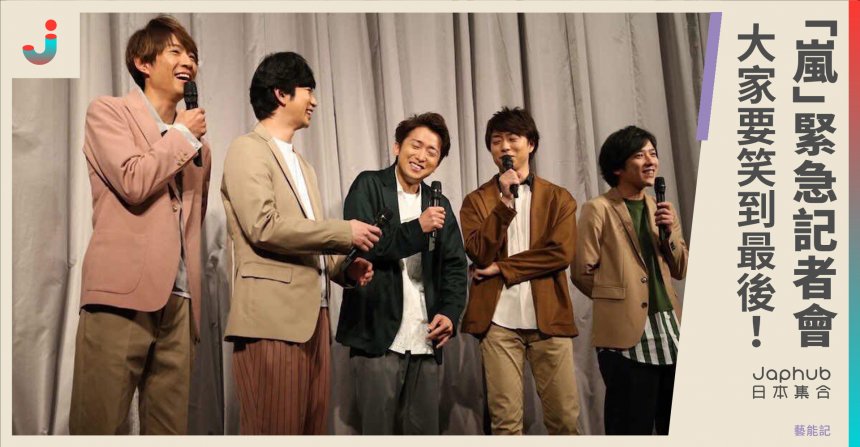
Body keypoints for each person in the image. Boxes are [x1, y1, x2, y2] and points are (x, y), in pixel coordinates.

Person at [221, 51, 380, 435]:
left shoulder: (303, 166)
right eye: (308, 90)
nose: (315, 101)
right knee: (273, 430)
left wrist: (342, 269)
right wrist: (343, 233)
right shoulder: (248, 149)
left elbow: (305, 239)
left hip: (314, 321)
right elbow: (264, 226)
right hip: (272, 320)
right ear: (281, 93)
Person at [70, 15, 210, 435]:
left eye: (192, 54)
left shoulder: (198, 144)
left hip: (180, 301)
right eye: (175, 51)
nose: (188, 61)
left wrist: (187, 138)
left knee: (170, 430)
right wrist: (181, 136)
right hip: (121, 295)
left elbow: (192, 218)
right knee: (98, 424)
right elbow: (132, 182)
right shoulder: (108, 112)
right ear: (143, 63)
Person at [337, 113, 468, 434]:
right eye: (415, 145)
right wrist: (418, 228)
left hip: (425, 337)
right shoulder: (369, 185)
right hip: (377, 334)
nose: (421, 156)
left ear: (438, 162)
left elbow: (455, 266)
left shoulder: (439, 204)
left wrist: (450, 313)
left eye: (432, 151)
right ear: (397, 147)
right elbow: (366, 247)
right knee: (377, 431)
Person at [459, 107, 580, 435]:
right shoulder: (476, 201)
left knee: (564, 420)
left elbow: (560, 253)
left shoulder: (558, 198)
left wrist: (502, 267)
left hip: (549, 319)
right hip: (498, 321)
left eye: (513, 138)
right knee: (506, 425)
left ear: (531, 144)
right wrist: (503, 203)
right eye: (496, 140)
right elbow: (478, 252)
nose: (505, 147)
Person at [571, 125, 688, 435]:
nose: (651, 161)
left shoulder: (661, 209)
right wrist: (618, 301)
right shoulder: (598, 209)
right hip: (626, 338)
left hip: (669, 329)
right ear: (617, 168)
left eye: (653, 153)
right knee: (630, 427)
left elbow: (680, 268)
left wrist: (669, 233)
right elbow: (581, 271)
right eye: (639, 155)